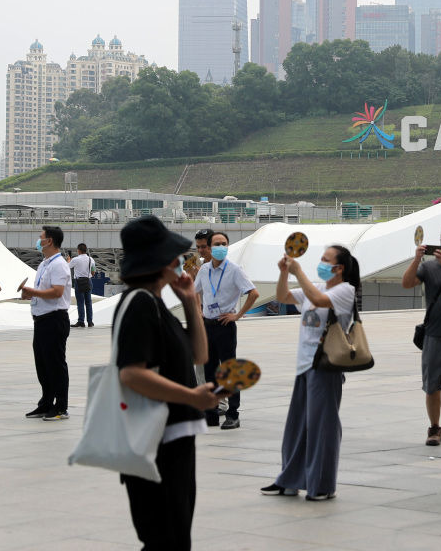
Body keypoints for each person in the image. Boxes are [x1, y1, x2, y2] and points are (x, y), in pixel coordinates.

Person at [112, 216, 216, 551]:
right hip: (155, 444)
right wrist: (190, 396)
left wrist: (189, 301)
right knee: (165, 539)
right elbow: (131, 373)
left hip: (174, 440)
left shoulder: (156, 304)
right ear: (159, 262)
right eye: (173, 257)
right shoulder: (139, 303)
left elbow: (199, 355)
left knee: (174, 537)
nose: (180, 263)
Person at [263, 244, 361, 501]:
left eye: (326, 260)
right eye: (321, 259)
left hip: (326, 366)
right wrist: (284, 273)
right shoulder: (315, 285)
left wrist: (298, 271)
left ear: (339, 268)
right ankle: (289, 480)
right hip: (305, 364)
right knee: (297, 426)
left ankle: (322, 485)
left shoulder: (345, 290)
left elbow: (318, 301)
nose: (321, 263)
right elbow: (283, 297)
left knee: (322, 427)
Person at [402, 223, 441, 447]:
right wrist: (416, 259)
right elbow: (407, 283)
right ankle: (434, 427)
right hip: (435, 335)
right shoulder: (429, 268)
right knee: (432, 386)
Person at [194, 231, 257, 430]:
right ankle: (211, 414)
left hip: (224, 325)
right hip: (208, 324)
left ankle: (233, 414)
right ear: (210, 247)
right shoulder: (204, 270)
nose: (221, 247)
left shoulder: (235, 270)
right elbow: (194, 291)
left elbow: (253, 293)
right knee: (210, 370)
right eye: (217, 244)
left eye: (224, 243)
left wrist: (237, 315)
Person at [19, 226, 72, 420]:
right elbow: (44, 291)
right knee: (43, 364)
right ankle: (46, 403)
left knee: (56, 364)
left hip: (54, 319)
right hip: (41, 320)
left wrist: (33, 292)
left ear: (49, 241)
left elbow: (57, 292)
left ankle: (61, 407)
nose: (38, 240)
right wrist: (31, 295)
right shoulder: (44, 264)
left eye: (40, 237)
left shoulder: (59, 265)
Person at [70, 243, 95, 328]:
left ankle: (81, 321)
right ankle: (90, 322)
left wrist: (68, 260)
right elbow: (93, 271)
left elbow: (68, 266)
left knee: (80, 302)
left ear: (79, 250)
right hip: (88, 281)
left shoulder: (75, 259)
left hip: (79, 282)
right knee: (88, 302)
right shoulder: (90, 259)